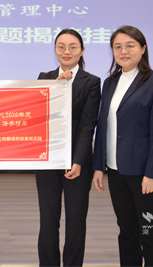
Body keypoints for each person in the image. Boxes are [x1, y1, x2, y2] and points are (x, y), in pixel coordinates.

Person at [92, 25, 153, 267]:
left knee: (150, 231)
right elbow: (103, 127)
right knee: (126, 230)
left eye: (130, 46)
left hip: (143, 173)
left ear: (143, 48)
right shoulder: (110, 83)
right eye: (117, 47)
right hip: (116, 171)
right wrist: (99, 166)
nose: (123, 51)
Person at [35, 28, 101, 267]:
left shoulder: (91, 82)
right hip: (48, 158)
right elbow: (37, 114)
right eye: (61, 47)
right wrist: (55, 86)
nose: (67, 51)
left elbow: (87, 125)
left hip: (77, 161)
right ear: (55, 49)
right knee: (48, 220)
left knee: (75, 221)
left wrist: (78, 160)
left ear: (82, 51)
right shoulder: (45, 77)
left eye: (73, 47)